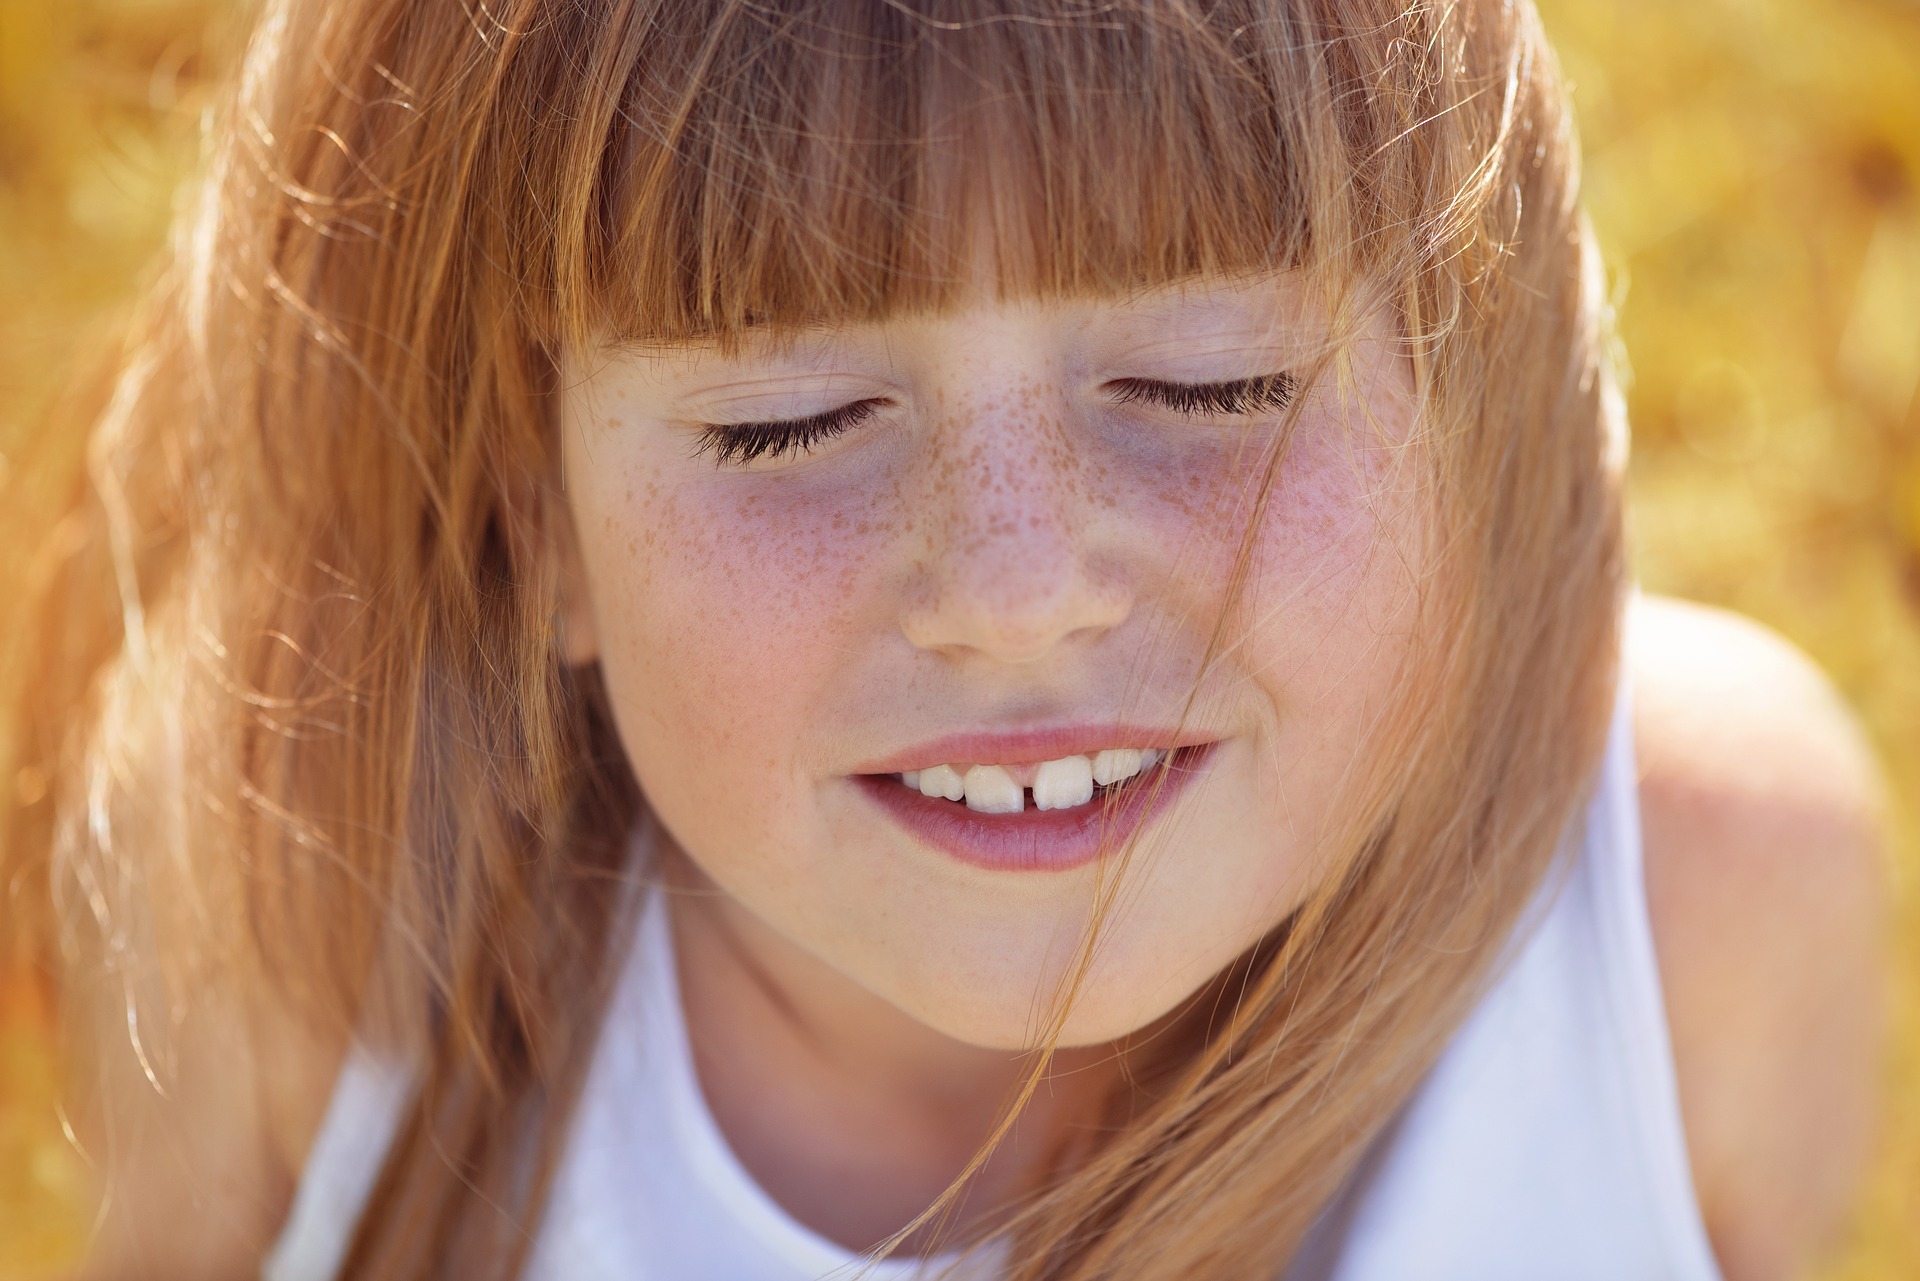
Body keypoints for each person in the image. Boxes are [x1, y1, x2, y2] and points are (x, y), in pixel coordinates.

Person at [0, 0, 1887, 1278]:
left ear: (1474, 416)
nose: (1013, 585)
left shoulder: (1696, 900)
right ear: (535, 521)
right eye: (787, 424)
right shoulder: (303, 905)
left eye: (1204, 381)